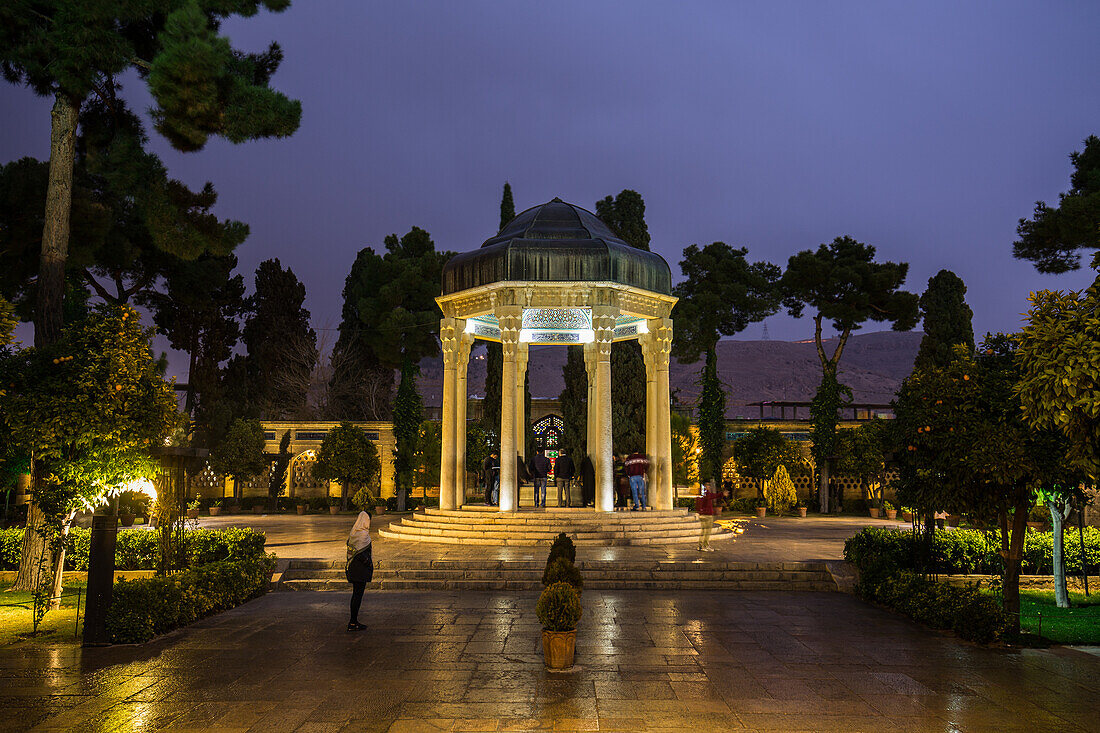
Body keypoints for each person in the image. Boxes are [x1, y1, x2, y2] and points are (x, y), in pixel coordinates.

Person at [345, 510, 374, 630]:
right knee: (357, 595)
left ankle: (353, 621)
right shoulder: (362, 534)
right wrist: (368, 562)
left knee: (355, 595)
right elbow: (360, 554)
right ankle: (353, 622)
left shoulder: (354, 533)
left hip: (353, 568)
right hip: (359, 570)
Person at [696, 483, 716, 551]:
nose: (709, 487)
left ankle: (701, 545)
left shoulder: (702, 494)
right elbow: (714, 496)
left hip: (702, 514)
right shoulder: (707, 494)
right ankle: (705, 545)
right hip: (707, 515)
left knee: (704, 531)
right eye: (708, 486)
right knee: (707, 531)